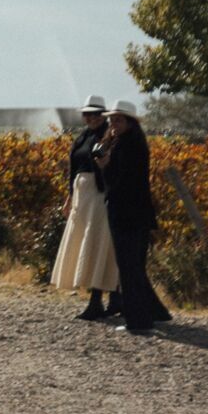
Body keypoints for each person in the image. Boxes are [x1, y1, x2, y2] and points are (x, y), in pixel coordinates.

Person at [95, 101, 172, 334]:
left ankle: (137, 321)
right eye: (112, 120)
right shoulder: (135, 142)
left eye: (118, 120)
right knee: (135, 267)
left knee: (128, 268)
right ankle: (150, 313)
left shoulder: (125, 145)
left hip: (125, 213)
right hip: (136, 213)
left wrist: (105, 166)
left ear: (129, 122)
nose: (113, 124)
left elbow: (117, 181)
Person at [52, 95, 121, 319]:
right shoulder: (83, 137)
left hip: (99, 196)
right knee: (90, 245)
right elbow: (74, 170)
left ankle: (98, 300)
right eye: (87, 114)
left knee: (98, 246)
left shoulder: (108, 136)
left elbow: (110, 166)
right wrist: (69, 197)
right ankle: (114, 299)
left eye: (95, 114)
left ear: (103, 115)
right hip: (82, 197)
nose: (91, 118)